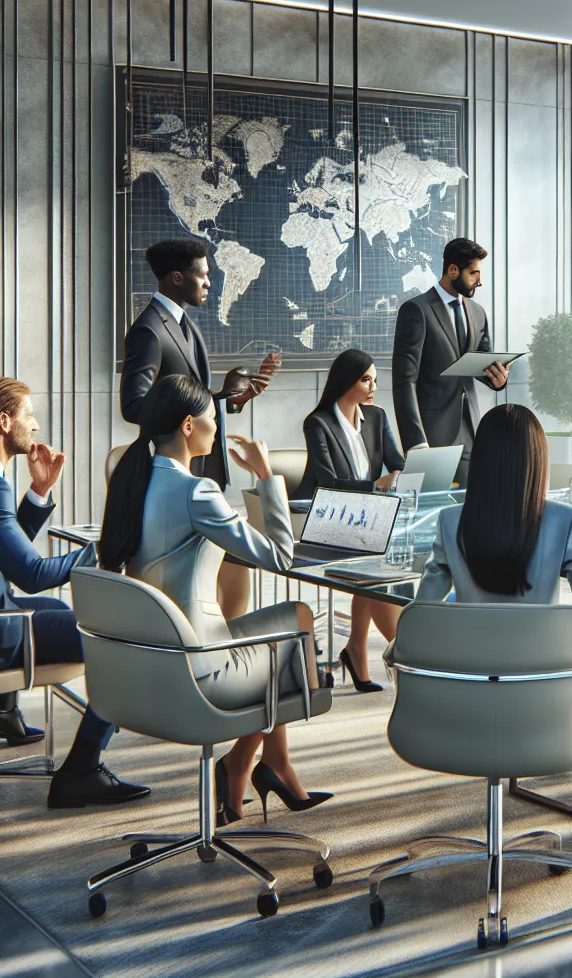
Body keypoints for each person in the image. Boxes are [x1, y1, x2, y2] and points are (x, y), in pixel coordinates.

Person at [415, 405, 572, 859]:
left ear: (481, 460)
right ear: (537, 460)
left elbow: (421, 619)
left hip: (461, 710)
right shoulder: (565, 522)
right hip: (544, 711)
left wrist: (463, 601)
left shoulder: (450, 523)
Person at [98, 375, 333, 824]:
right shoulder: (196, 491)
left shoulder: (134, 482)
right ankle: (253, 764)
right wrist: (267, 477)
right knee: (296, 632)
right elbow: (280, 556)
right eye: (212, 418)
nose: (217, 428)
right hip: (200, 671)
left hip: (149, 666)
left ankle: (262, 765)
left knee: (290, 626)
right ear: (188, 426)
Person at [0, 376, 148, 809]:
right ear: (4, 422)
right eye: (29, 415)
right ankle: (81, 769)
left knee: (52, 610)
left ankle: (3, 712)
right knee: (116, 638)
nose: (36, 425)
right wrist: (107, 545)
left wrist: (39, 491)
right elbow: (34, 573)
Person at [121, 237, 279, 621]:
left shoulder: (183, 323)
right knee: (200, 576)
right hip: (179, 474)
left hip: (205, 467)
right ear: (177, 278)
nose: (209, 283)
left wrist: (231, 397)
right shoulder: (148, 330)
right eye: (203, 276)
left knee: (232, 563)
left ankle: (225, 639)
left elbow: (194, 397)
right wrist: (191, 412)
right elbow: (133, 405)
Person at [296, 348, 405, 694]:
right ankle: (403, 650)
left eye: (375, 379)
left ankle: (361, 649)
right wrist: (375, 486)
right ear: (346, 381)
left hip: (366, 520)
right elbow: (327, 483)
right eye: (366, 379)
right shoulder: (318, 424)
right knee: (377, 562)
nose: (373, 387)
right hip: (328, 519)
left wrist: (404, 474)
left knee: (377, 557)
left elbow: (398, 463)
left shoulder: (377, 417)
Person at [390, 237, 510, 485]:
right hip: (432, 433)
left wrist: (498, 380)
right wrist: (415, 441)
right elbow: (404, 381)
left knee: (472, 507)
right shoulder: (417, 310)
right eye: (473, 272)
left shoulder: (477, 313)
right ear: (453, 270)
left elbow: (482, 365)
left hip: (472, 429)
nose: (479, 280)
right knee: (434, 512)